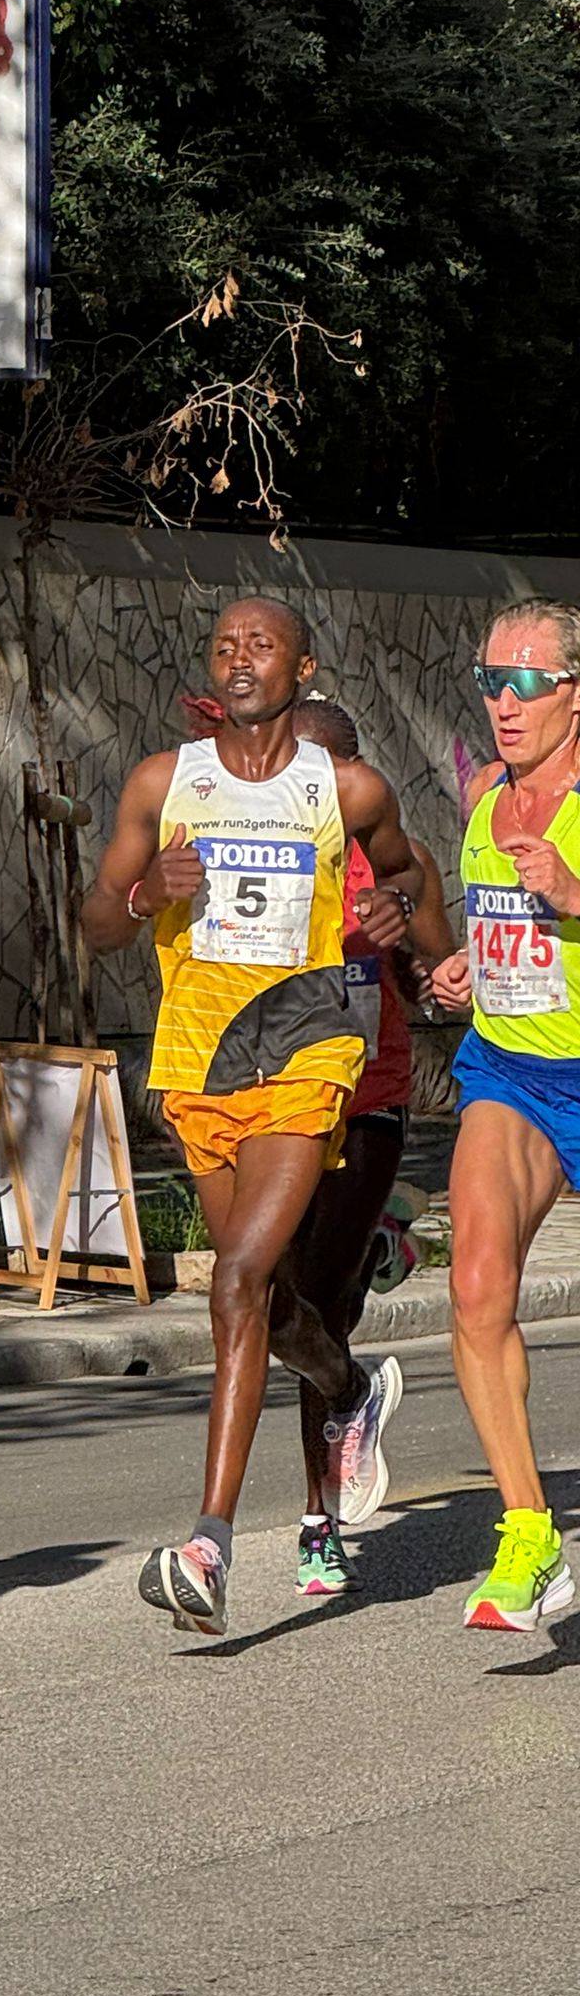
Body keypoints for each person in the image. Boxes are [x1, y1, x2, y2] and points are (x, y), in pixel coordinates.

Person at [84, 597, 423, 1635]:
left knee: (235, 1280)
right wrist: (147, 895)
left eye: (259, 645)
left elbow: (410, 869)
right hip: (200, 1058)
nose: (239, 660)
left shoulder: (347, 785)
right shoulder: (162, 780)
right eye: (224, 646)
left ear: (300, 667)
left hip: (310, 1047)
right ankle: (352, 1382)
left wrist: (394, 908)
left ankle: (210, 1541)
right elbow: (93, 919)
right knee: (265, 1303)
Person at [430, 598, 580, 1631]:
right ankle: (529, 1530)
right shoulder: (485, 799)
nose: (503, 702)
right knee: (477, 1283)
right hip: (515, 1074)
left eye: (525, 681)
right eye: (490, 680)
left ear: (573, 687)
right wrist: (468, 974)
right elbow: (508, 947)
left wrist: (575, 890)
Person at [287, 698, 456, 1596]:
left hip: (370, 1102)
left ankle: (318, 1524)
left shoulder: (399, 859)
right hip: (275, 1104)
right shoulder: (261, 850)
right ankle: (355, 1382)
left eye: (325, 773)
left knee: (317, 1298)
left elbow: (445, 981)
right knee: (278, 1305)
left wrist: (404, 945)